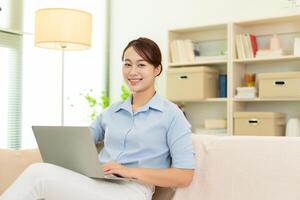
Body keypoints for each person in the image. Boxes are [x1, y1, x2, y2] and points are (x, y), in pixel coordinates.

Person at [1, 37, 195, 200]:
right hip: (96, 183)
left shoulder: (172, 115)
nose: (132, 72)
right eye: (127, 64)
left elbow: (184, 175)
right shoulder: (111, 112)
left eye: (141, 65)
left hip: (133, 191)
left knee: (38, 175)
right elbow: (82, 142)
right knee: (39, 170)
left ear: (157, 69)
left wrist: (129, 171)